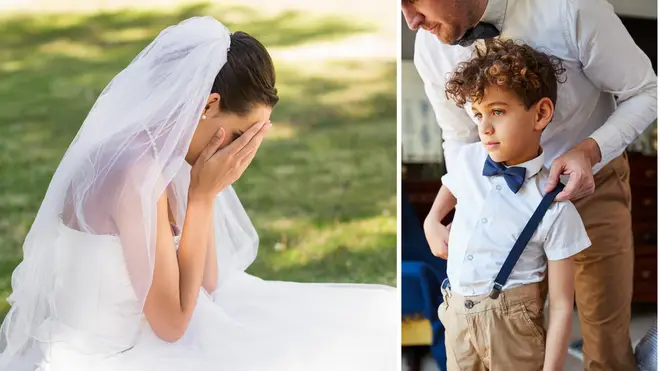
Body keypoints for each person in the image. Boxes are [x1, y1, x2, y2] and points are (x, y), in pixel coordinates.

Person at [0, 17, 396, 371]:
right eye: (241, 136)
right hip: (114, 353)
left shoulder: (168, 153)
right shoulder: (135, 171)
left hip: (155, 336)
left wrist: (203, 191)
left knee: (369, 322)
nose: (240, 151)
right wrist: (203, 198)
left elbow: (205, 284)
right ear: (209, 105)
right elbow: (172, 323)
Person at [401, 0, 657, 369]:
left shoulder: (572, 8)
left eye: (413, 0)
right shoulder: (430, 45)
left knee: (605, 339)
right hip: (502, 196)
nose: (410, 20)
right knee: (507, 328)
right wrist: (459, 208)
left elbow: (645, 90)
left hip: (591, 183)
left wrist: (589, 150)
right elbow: (460, 139)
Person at [432, 38, 591, 370]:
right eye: (477, 114)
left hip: (513, 329)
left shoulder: (554, 208)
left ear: (541, 113)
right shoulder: (469, 159)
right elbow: (451, 187)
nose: (485, 127)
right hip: (456, 316)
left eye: (497, 111)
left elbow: (562, 306)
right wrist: (431, 220)